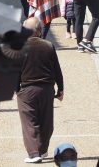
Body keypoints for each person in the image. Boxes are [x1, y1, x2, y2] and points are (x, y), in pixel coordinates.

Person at [17, 16, 64, 163]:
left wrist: (16, 89)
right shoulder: (48, 45)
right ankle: (42, 150)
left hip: (27, 90)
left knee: (29, 122)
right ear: (39, 30)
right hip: (47, 88)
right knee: (46, 121)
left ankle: (34, 153)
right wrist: (60, 88)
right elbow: (57, 69)